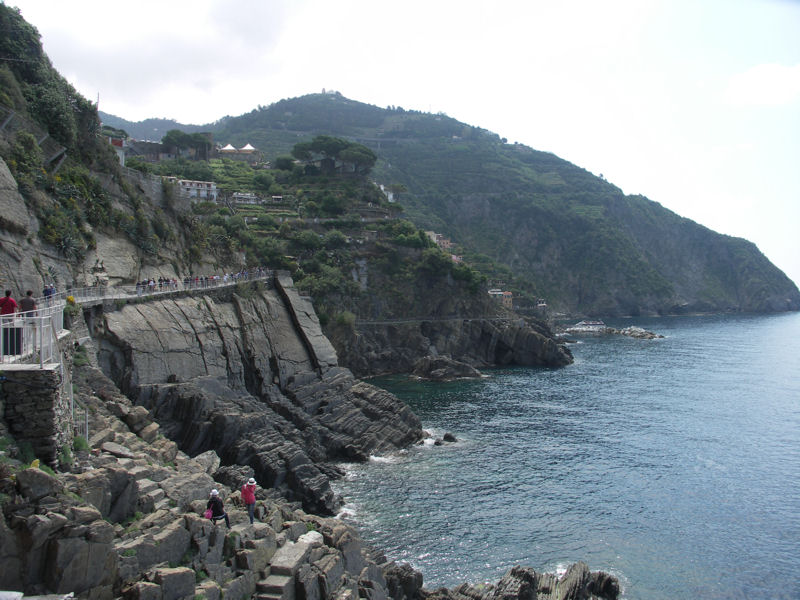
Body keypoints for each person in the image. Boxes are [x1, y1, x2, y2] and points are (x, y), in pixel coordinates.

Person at [0, 290, 20, 356]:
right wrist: (16, 314)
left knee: (5, 325)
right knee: (11, 325)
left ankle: (5, 335)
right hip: (10, 314)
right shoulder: (12, 300)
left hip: (3, 314)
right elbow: (14, 307)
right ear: (10, 294)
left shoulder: (2, 299)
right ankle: (10, 335)